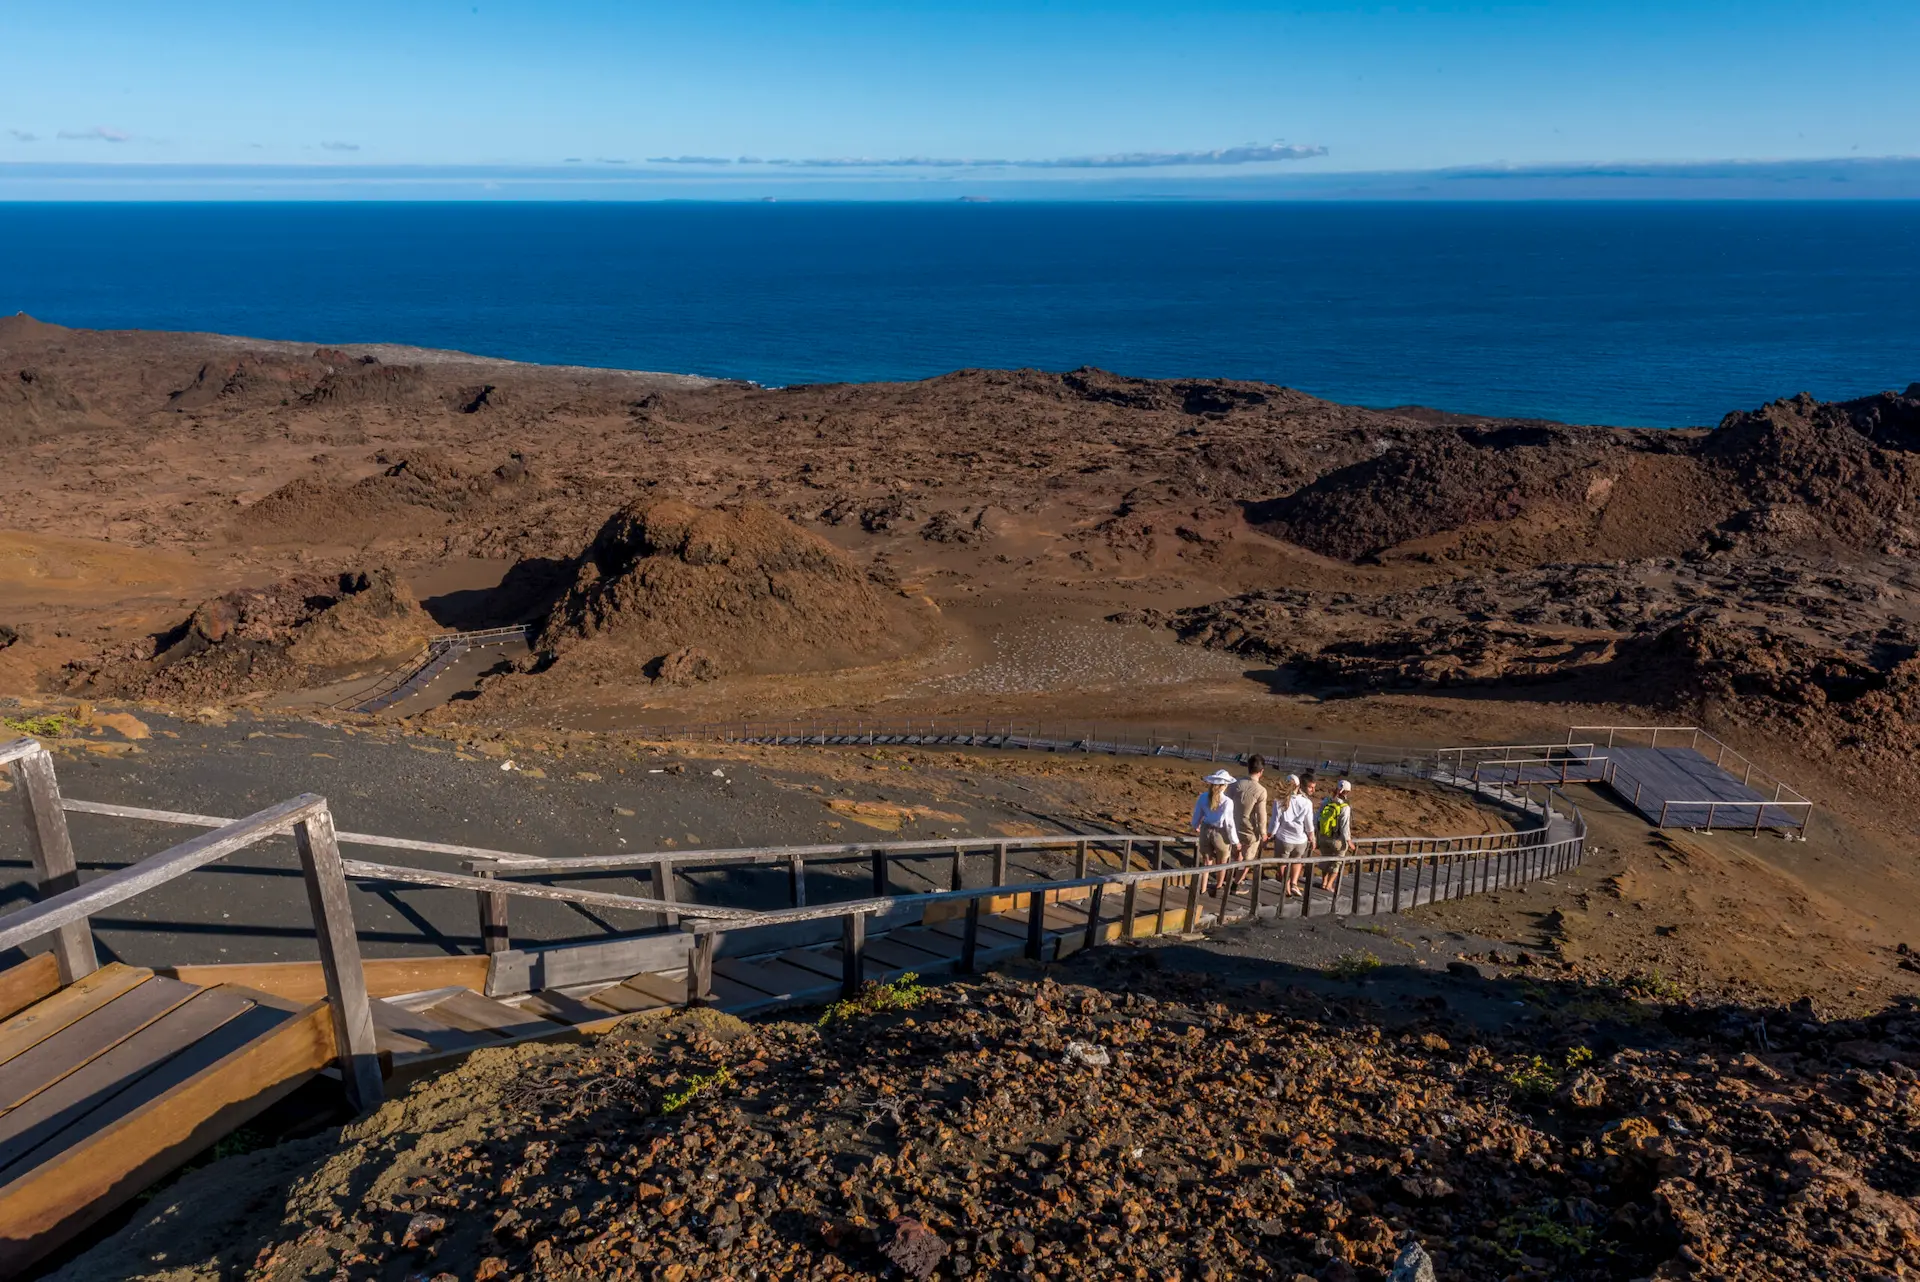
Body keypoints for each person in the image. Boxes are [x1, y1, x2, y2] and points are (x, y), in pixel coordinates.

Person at [1189, 769, 1240, 895]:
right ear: (1224, 785)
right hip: (1220, 833)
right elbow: (1229, 823)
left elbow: (1197, 814)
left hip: (1206, 829)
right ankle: (1218, 887)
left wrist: (1195, 825)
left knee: (1207, 861)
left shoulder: (1203, 797)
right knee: (1221, 862)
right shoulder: (1227, 802)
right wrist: (1235, 841)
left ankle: (1203, 888)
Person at [1225, 755, 1270, 894]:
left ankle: (1228, 879)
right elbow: (1261, 814)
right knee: (1248, 858)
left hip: (1233, 824)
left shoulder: (1235, 783)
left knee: (1234, 855)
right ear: (1261, 771)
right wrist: (1263, 833)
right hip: (1249, 828)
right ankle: (1236, 885)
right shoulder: (1261, 790)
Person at [1269, 773, 1315, 897]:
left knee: (1282, 863)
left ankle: (1286, 884)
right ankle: (1294, 883)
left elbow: (1275, 821)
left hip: (1284, 838)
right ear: (1299, 786)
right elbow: (1309, 824)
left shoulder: (1279, 801)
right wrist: (1312, 837)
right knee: (1297, 861)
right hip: (1300, 839)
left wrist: (1270, 835)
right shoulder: (1306, 802)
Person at [1316, 778, 1354, 895]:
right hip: (1337, 839)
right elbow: (1344, 826)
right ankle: (1329, 885)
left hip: (1323, 836)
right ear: (1347, 792)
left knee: (1325, 859)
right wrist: (1349, 841)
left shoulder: (1326, 801)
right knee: (1336, 863)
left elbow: (1317, 817)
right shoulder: (1345, 807)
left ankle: (1323, 882)